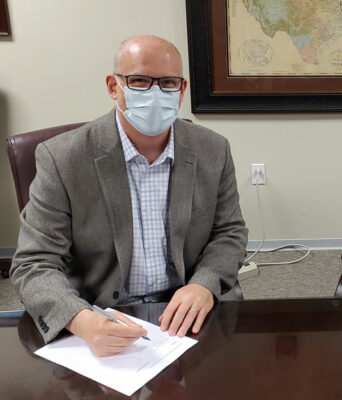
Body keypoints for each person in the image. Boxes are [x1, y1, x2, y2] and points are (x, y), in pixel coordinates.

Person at [10, 35, 248, 356]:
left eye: (167, 83)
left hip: (188, 310)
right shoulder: (62, 157)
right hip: (101, 312)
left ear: (181, 90)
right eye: (138, 81)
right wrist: (80, 319)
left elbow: (229, 233)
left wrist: (203, 284)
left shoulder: (213, 149)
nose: (154, 93)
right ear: (113, 87)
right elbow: (34, 262)